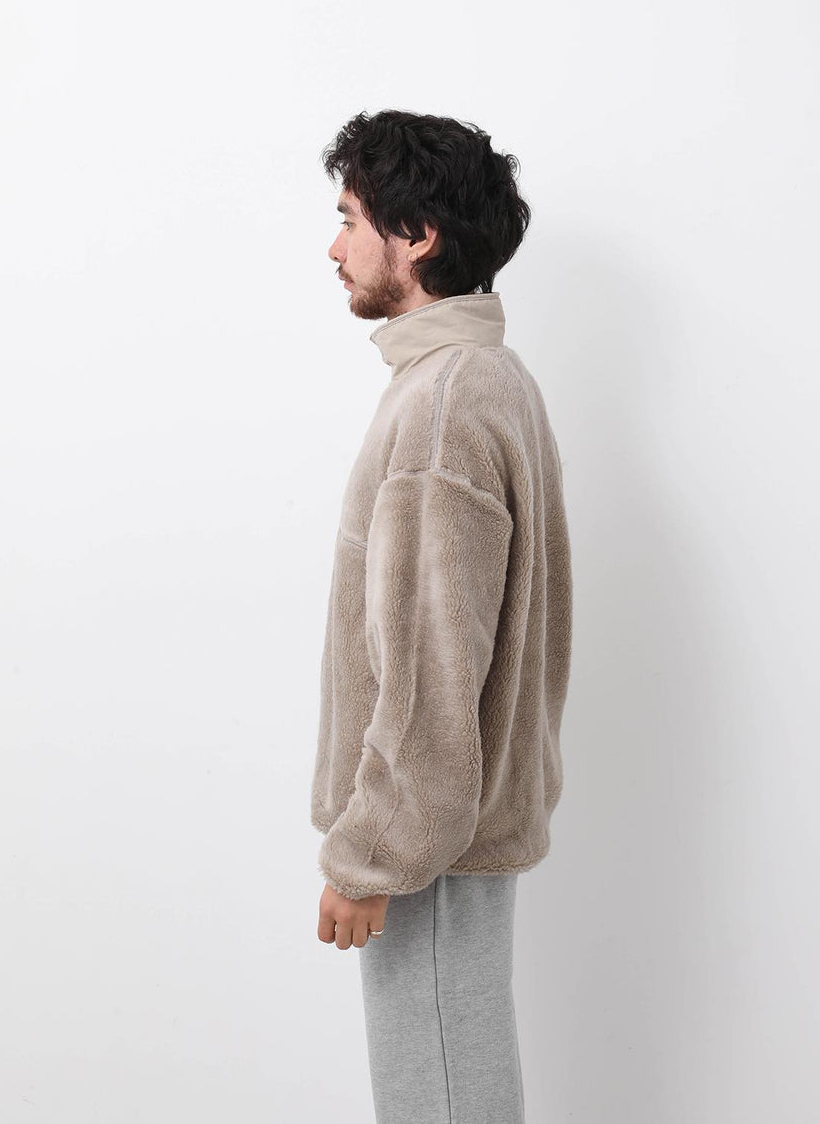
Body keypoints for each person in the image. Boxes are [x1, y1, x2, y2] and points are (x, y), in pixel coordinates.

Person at [310, 109, 572, 1123]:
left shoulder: (444, 404)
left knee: (442, 1097)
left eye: (350, 219)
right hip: (450, 833)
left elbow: (431, 664)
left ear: (416, 236)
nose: (334, 247)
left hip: (427, 845)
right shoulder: (480, 380)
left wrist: (372, 853)